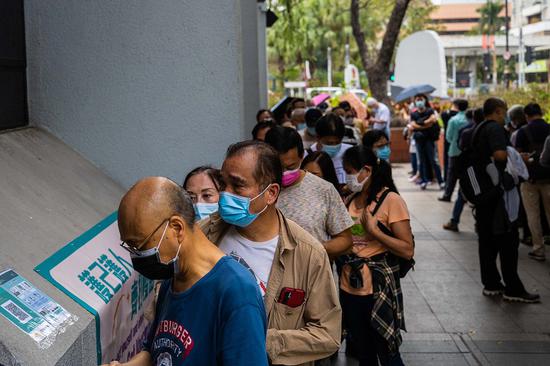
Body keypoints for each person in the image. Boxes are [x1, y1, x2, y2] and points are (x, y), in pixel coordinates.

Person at [200, 141, 342, 365]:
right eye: (222, 184)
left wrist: (253, 340)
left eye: (237, 186)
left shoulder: (308, 254)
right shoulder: (204, 234)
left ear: (271, 193)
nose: (225, 194)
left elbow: (327, 334)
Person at [110, 177, 268, 366]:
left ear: (177, 228)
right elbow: (156, 352)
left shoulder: (237, 292)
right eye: (130, 247)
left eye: (139, 245)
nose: (136, 255)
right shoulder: (173, 276)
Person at [340, 145, 414, 366]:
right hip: (349, 284)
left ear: (367, 170)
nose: (349, 177)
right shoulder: (349, 199)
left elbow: (406, 249)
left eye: (351, 171)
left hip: (378, 287)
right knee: (363, 351)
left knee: (387, 350)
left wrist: (374, 232)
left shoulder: (391, 200)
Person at [472, 97, 539, 303]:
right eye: (505, 111)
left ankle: (491, 283)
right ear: (498, 111)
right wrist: (516, 159)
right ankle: (513, 288)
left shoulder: (478, 129)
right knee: (508, 241)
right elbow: (500, 155)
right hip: (498, 195)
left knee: (487, 241)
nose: (506, 116)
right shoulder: (495, 129)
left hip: (482, 194)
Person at [265, 126, 353, 259]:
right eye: (277, 167)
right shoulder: (257, 189)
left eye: (290, 167)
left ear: (301, 157)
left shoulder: (323, 189)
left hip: (312, 275)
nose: (283, 173)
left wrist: (314, 249)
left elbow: (345, 240)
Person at [514, 103, 550, 262]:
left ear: (526, 116)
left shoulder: (522, 132)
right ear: (541, 113)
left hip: (530, 179)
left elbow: (518, 156)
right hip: (549, 178)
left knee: (533, 215)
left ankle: (538, 250)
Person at [443, 108, 484, 232]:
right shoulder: (489, 130)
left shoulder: (466, 131)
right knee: (481, 195)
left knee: (463, 193)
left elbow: (460, 146)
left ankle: (455, 221)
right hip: (485, 169)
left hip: (470, 169)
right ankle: (480, 223)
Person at [409, 94, 444, 190]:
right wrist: (425, 124)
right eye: (417, 99)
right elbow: (412, 125)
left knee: (433, 160)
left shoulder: (430, 110)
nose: (419, 101)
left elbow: (432, 121)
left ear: (425, 100)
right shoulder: (413, 113)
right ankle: (424, 181)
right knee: (422, 160)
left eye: (421, 99)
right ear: (415, 101)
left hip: (429, 139)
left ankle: (441, 181)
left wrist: (420, 124)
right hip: (419, 140)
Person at [308, 113, 353, 184]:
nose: (334, 146)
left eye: (337, 142)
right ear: (318, 138)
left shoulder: (350, 152)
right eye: (329, 143)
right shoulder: (308, 156)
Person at [439, 99, 469, 202]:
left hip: (454, 150)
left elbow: (448, 137)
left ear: (456, 106)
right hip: (467, 152)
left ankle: (447, 195)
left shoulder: (453, 120)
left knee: (452, 175)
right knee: (466, 174)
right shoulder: (469, 119)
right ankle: (466, 196)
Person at [441, 102, 459, 183]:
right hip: (458, 142)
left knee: (447, 161)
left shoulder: (445, 114)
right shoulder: (459, 116)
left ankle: (446, 178)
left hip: (447, 140)